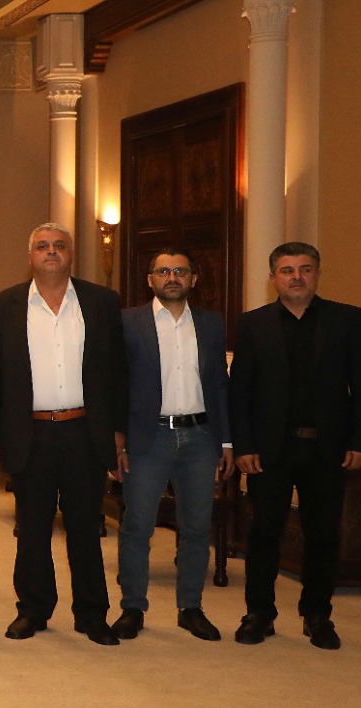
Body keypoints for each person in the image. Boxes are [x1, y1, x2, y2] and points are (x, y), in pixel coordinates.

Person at [0, 222, 126, 646]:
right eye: (42, 246)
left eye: (59, 246)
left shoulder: (101, 302)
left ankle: (92, 615)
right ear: (30, 257)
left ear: (71, 254)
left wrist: (118, 429)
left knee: (85, 528)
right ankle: (33, 610)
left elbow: (117, 371)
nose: (51, 252)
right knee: (32, 528)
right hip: (30, 432)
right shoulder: (2, 305)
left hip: (85, 431)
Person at [230, 242, 361, 650]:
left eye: (305, 269)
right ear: (273, 277)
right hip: (269, 451)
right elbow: (240, 391)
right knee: (264, 533)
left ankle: (317, 616)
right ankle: (259, 613)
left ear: (317, 274)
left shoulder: (347, 319)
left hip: (328, 450)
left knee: (323, 535)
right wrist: (243, 445)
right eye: (287, 270)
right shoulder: (253, 324)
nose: (297, 277)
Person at [113, 249, 233, 642]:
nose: (172, 277)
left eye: (180, 271)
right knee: (137, 526)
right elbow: (114, 383)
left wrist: (226, 440)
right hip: (148, 437)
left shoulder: (211, 323)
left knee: (196, 527)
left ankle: (190, 607)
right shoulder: (128, 322)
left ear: (193, 279)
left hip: (201, 437)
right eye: (163, 271)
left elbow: (219, 384)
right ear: (150, 279)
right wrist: (117, 437)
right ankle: (133, 607)